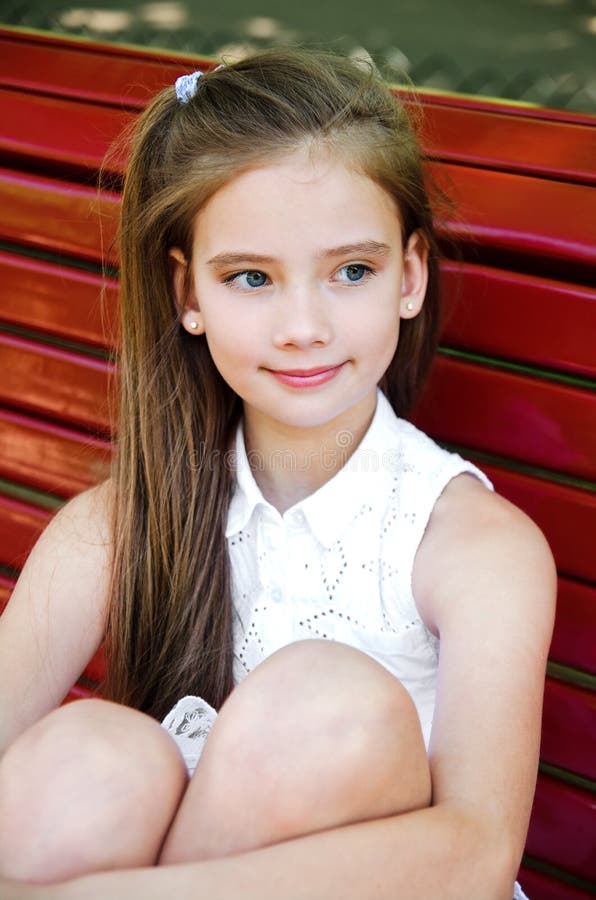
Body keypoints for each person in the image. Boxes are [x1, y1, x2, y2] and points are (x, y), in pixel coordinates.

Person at [0, 48, 555, 900]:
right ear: (189, 295)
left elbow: (478, 855)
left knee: (327, 710)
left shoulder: (475, 547)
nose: (304, 326)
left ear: (409, 276)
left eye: (352, 271)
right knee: (90, 760)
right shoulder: (113, 528)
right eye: (251, 278)